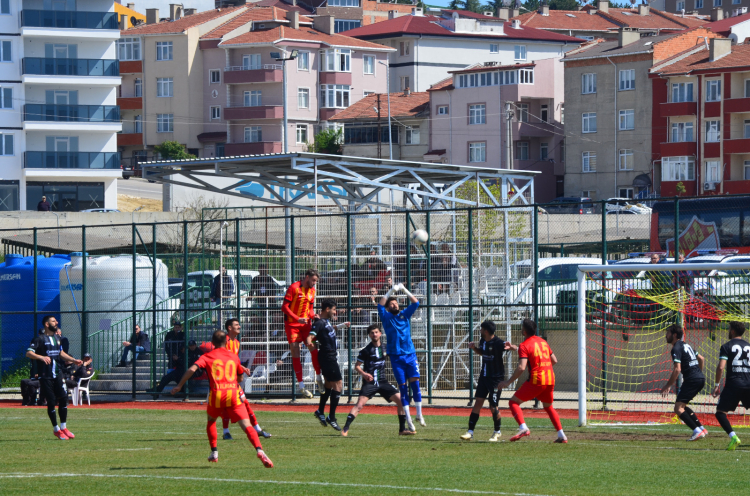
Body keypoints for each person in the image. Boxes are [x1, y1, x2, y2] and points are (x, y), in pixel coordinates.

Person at [171, 330, 273, 467]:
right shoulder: (233, 356)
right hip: (232, 393)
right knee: (246, 425)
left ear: (212, 343)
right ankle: (259, 450)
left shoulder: (207, 356)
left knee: (211, 421)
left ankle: (214, 452)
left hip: (217, 394)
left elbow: (191, 370)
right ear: (226, 342)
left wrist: (179, 385)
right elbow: (240, 377)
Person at [498, 319, 568, 443]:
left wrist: (508, 382)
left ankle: (523, 428)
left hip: (537, 380)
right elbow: (554, 360)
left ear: (524, 331)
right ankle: (562, 435)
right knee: (548, 407)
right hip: (550, 378)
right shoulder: (543, 342)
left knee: (513, 402)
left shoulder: (524, 345)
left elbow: (521, 367)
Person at [342, 324, 411, 436]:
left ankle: (402, 429)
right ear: (369, 335)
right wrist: (364, 374)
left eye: (376, 332)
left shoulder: (386, 347)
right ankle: (345, 428)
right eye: (372, 333)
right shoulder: (366, 350)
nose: (374, 334)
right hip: (370, 383)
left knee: (402, 401)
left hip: (383, 381)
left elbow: (396, 358)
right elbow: (357, 366)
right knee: (359, 405)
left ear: (380, 333)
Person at [25, 315, 83, 440]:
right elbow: (28, 353)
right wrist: (41, 357)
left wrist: (74, 360)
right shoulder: (39, 339)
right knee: (51, 401)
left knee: (63, 399)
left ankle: (64, 427)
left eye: (56, 321)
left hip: (58, 374)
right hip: (45, 376)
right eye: (53, 321)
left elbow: (61, 353)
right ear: (47, 324)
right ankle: (56, 429)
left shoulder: (57, 338)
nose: (56, 322)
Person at [460, 320, 516, 442]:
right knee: (478, 403)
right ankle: (470, 432)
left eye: (481, 329)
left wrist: (511, 347)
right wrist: (474, 348)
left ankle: (497, 432)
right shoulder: (483, 341)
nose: (479, 330)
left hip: (496, 380)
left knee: (493, 406)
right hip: (484, 377)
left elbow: (515, 348)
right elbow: (482, 352)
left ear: (485, 331)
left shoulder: (498, 342)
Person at [378, 282, 424, 431]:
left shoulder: (405, 315)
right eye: (391, 304)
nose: (394, 305)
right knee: (403, 388)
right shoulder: (386, 317)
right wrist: (391, 290)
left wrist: (404, 289)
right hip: (396, 357)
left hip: (410, 354)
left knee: (415, 384)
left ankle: (419, 414)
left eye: (396, 303)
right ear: (388, 308)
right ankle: (409, 420)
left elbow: (416, 303)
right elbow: (380, 304)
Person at [220, 318, 272, 440]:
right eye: (236, 325)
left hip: (233, 379)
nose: (239, 326)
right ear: (229, 328)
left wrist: (242, 367)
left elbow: (234, 360)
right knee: (229, 405)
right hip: (225, 379)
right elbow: (222, 359)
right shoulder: (224, 341)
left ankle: (257, 429)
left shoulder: (237, 343)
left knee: (244, 403)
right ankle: (227, 432)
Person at [660, 324, 707, 441]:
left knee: (678, 408)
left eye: (668, 333)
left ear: (674, 335)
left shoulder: (676, 348)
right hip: (700, 378)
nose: (666, 335)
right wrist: (698, 373)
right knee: (682, 406)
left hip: (692, 379)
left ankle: (697, 431)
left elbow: (677, 369)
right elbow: (701, 359)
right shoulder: (686, 345)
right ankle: (701, 429)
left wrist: (668, 385)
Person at [308, 300, 350, 431]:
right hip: (327, 357)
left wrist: (342, 325)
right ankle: (331, 417)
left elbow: (330, 330)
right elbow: (310, 337)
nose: (335, 312)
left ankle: (320, 411)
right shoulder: (319, 322)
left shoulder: (326, 322)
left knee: (328, 384)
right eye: (334, 309)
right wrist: (310, 344)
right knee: (338, 384)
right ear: (327, 309)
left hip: (330, 356)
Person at [281, 268, 320, 398]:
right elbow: (284, 307)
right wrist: (297, 318)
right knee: (295, 350)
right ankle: (301, 385)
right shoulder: (294, 287)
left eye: (316, 281)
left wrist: (314, 316)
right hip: (292, 325)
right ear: (307, 277)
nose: (314, 283)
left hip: (306, 325)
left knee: (313, 348)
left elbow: (310, 309)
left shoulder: (312, 291)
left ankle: (319, 378)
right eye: (313, 280)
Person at [712, 321, 750, 451]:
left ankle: (734, 437)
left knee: (720, 413)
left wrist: (716, 385)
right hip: (748, 383)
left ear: (732, 331)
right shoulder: (749, 346)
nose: (728, 331)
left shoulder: (726, 346)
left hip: (733, 384)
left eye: (729, 329)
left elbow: (721, 367)